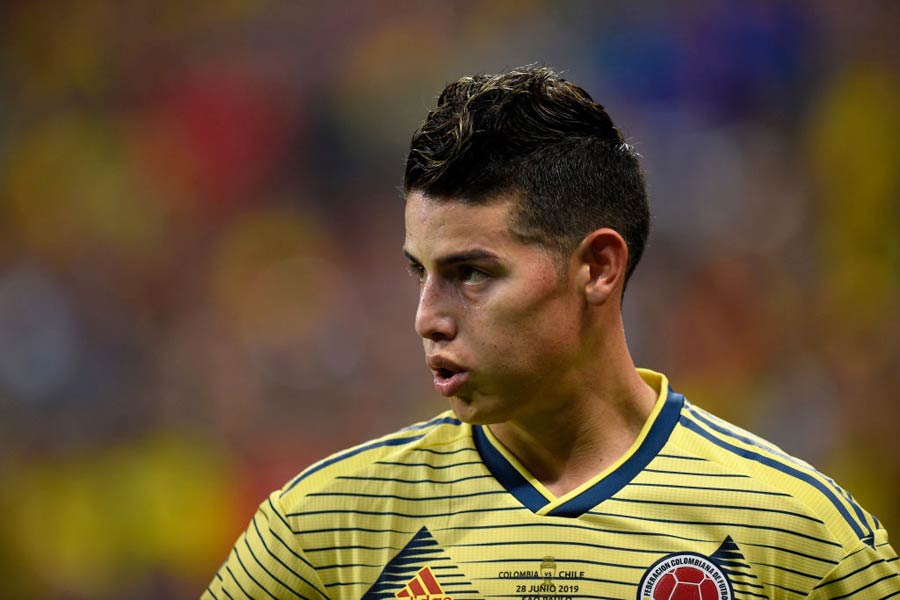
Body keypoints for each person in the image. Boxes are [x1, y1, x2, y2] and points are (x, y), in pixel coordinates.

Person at [203, 65, 899, 600]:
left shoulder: (791, 533)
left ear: (597, 268)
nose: (426, 317)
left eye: (472, 273)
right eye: (422, 272)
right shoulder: (326, 527)